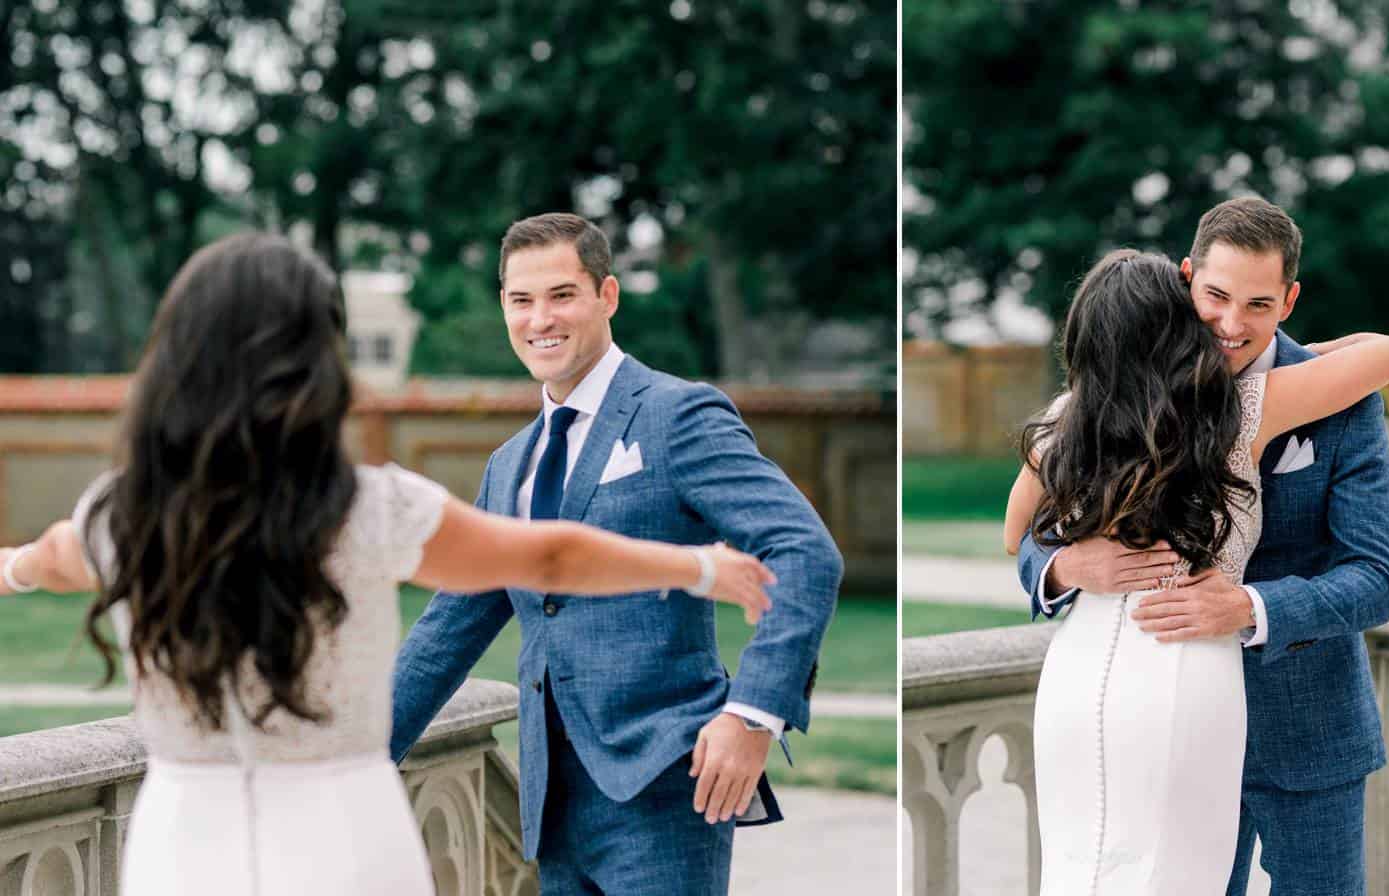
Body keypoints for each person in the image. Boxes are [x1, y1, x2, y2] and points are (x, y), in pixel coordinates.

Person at [0, 231, 777, 896]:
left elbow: (45, 562)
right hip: (345, 832)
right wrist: (694, 569)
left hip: (180, 839)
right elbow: (545, 552)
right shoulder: (368, 508)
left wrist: (11, 570)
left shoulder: (118, 515)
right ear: (317, 361)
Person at [388, 212, 842, 896]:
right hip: (551, 804)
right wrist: (350, 761)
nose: (540, 318)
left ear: (607, 296)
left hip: (664, 787)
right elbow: (445, 633)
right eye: (521, 300)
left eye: (562, 294)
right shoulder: (509, 466)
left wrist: (752, 714)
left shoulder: (675, 415)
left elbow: (805, 551)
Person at [1005, 228, 1389, 891]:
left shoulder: (1329, 398)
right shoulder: (1089, 413)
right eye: (1216, 297)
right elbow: (1028, 543)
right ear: (1186, 282)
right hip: (1161, 704)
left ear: (1289, 300)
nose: (1230, 323)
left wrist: (1250, 607)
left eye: (1258, 304)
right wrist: (1065, 568)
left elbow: (1378, 578)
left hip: (1305, 729)